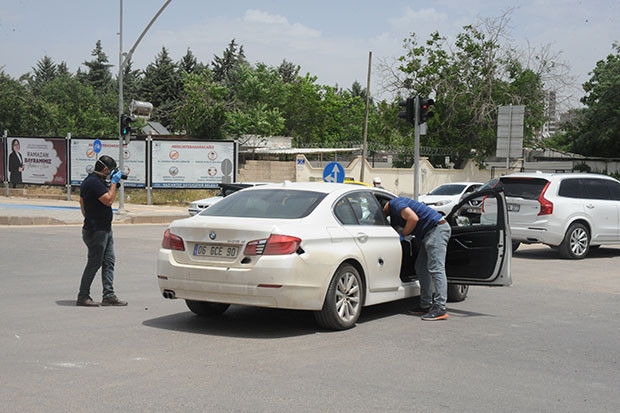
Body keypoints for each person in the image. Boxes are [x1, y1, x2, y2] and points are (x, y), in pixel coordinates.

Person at [384, 197, 451, 320]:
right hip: (429, 232)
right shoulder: (394, 212)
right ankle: (426, 305)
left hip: (436, 229)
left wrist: (402, 235)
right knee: (420, 267)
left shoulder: (395, 203)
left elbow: (413, 218)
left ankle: (440, 307)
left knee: (436, 269)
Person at [76, 155, 128, 307]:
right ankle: (83, 296)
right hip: (96, 230)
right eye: (111, 171)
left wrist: (113, 184)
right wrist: (113, 182)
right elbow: (109, 200)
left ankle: (108, 295)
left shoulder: (96, 181)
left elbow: (82, 202)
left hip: (105, 229)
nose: (112, 174)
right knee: (94, 263)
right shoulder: (93, 182)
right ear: (105, 169)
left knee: (109, 262)